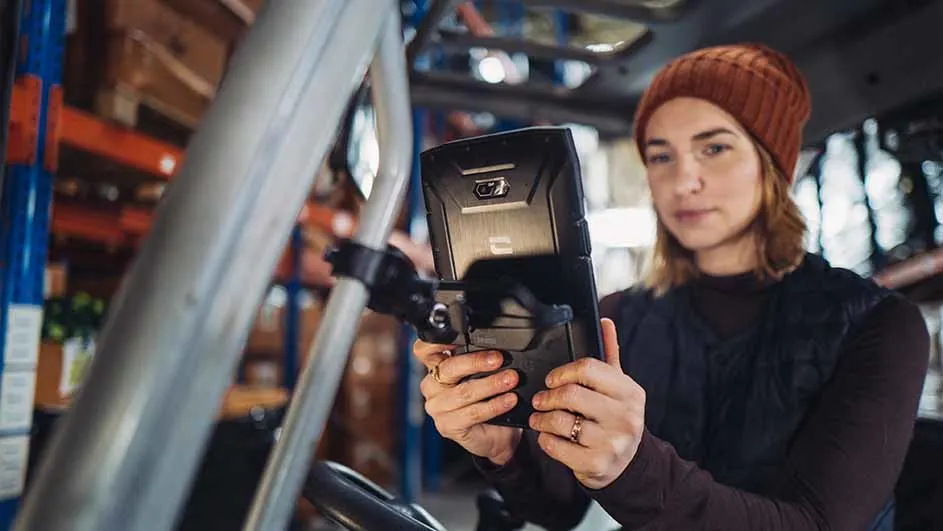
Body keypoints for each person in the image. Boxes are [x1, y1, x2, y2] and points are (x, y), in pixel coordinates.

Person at [414, 43, 932, 530]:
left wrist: (633, 469)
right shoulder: (619, 318)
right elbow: (562, 507)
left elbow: (819, 523)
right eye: (661, 156)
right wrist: (506, 452)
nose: (684, 180)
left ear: (772, 165)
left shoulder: (878, 325)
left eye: (715, 148)